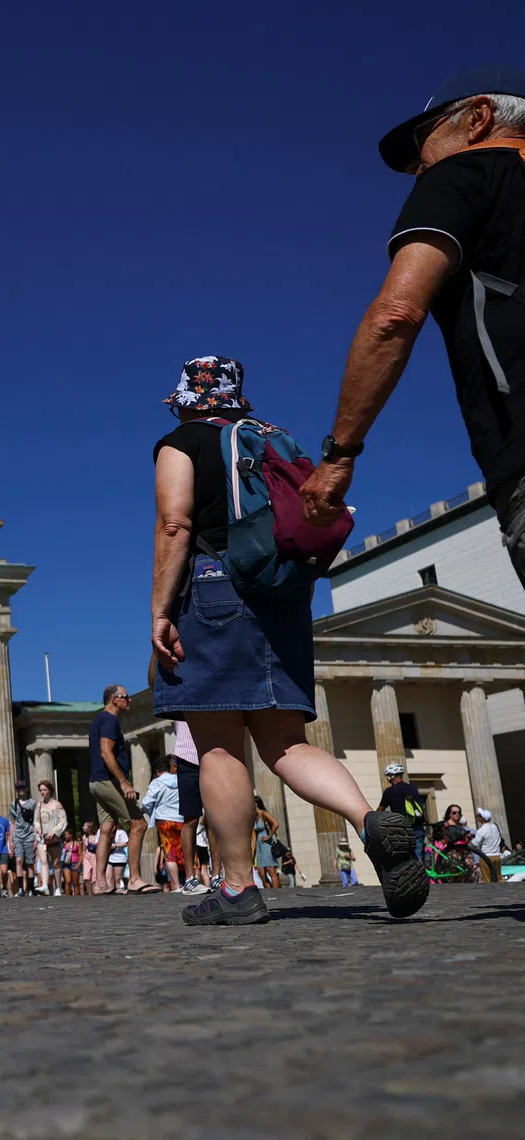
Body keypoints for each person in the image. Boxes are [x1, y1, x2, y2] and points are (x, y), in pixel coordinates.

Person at [151, 355, 428, 926]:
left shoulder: (182, 442)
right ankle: (369, 820)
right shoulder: (272, 437)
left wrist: (160, 610)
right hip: (283, 594)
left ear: (187, 395)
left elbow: (175, 523)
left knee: (219, 743)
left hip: (215, 589)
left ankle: (235, 890)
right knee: (284, 741)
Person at [300, 67, 525, 589]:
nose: (417, 170)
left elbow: (394, 315)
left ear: (478, 119)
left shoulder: (465, 173)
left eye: (424, 142)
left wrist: (340, 455)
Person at [88, 685, 149, 894]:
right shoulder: (110, 720)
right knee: (139, 824)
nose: (129, 700)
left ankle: (100, 884)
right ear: (114, 699)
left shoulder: (98, 720)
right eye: (126, 697)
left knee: (107, 829)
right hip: (108, 782)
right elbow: (106, 752)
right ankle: (134, 879)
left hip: (96, 782)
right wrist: (124, 782)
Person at [173, 721, 209, 896]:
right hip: (187, 758)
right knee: (191, 819)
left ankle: (218, 875)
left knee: (216, 817)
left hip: (213, 756)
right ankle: (189, 878)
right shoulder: (178, 696)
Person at [142, 755, 184, 894]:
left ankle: (176, 885)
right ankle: (190, 880)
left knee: (170, 853)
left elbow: (146, 802)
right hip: (181, 818)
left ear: (157, 771)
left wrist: (152, 810)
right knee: (184, 850)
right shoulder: (179, 779)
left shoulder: (157, 782)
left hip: (164, 820)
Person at [378, 764, 427, 865]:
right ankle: (421, 876)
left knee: (402, 857)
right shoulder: (413, 788)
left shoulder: (389, 792)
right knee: (418, 855)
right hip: (417, 826)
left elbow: (380, 810)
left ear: (391, 776)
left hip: (401, 828)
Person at [33, 780, 67, 896]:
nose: (42, 792)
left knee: (56, 863)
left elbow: (63, 821)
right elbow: (36, 820)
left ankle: (57, 887)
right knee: (43, 861)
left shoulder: (57, 805)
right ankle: (45, 885)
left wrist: (55, 831)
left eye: (44, 790)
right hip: (42, 838)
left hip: (54, 837)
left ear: (50, 790)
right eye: (41, 790)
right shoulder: (39, 805)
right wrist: (37, 827)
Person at [8, 779, 37, 897]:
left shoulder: (33, 803)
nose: (20, 790)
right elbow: (13, 822)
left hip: (30, 835)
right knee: (19, 860)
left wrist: (36, 837)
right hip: (18, 836)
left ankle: (30, 888)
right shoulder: (13, 804)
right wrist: (11, 838)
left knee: (30, 863)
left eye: (22, 788)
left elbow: (36, 821)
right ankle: (20, 889)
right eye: (18, 788)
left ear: (26, 789)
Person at [252, 796, 281, 889]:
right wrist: (254, 850)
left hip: (266, 844)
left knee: (270, 870)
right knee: (262, 873)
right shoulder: (254, 817)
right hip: (259, 845)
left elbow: (276, 823)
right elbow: (254, 835)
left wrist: (269, 836)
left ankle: (276, 893)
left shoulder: (263, 814)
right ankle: (269, 892)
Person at [471, 809, 504, 882]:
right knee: (499, 877)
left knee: (487, 879)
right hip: (497, 855)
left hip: (486, 856)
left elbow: (474, 844)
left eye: (478, 816)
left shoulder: (482, 830)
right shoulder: (496, 827)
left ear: (481, 818)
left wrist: (468, 839)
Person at [60, 829, 81, 896]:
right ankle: (67, 896)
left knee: (75, 883)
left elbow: (81, 855)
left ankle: (76, 897)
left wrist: (79, 864)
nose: (65, 836)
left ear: (71, 835)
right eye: (64, 835)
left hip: (75, 863)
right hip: (66, 864)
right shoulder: (64, 843)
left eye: (66, 834)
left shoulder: (77, 843)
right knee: (68, 881)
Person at [80, 822, 98, 895]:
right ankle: (90, 893)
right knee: (86, 875)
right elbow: (84, 848)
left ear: (90, 828)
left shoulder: (97, 836)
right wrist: (83, 858)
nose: (83, 828)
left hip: (95, 856)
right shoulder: (84, 837)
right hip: (87, 856)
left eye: (85, 826)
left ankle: (95, 891)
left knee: (95, 875)